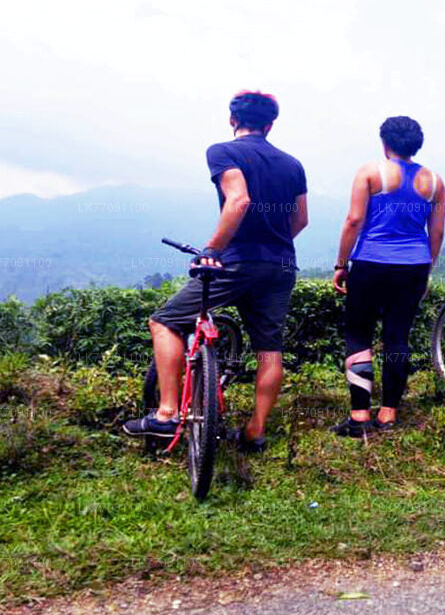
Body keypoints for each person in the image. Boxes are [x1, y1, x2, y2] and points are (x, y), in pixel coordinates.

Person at [123, 90, 308, 452]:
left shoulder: (223, 151)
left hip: (236, 262)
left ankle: (165, 414)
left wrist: (213, 251)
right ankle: (255, 433)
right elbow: (300, 219)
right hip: (282, 264)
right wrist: (271, 246)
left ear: (231, 120)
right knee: (269, 350)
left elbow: (238, 200)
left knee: (165, 322)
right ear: (270, 125)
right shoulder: (293, 164)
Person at [330, 116, 445, 437]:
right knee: (397, 337)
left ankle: (358, 416)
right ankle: (388, 413)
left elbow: (354, 220)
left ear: (384, 143)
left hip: (370, 263)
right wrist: (427, 268)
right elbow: (436, 232)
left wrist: (341, 264)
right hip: (413, 267)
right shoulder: (435, 182)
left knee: (359, 335)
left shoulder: (370, 173)